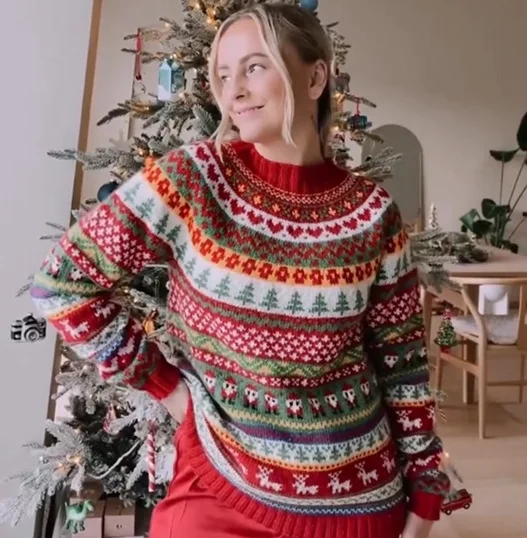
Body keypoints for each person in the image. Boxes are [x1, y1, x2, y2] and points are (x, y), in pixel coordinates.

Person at [31, 4, 450, 538]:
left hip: (356, 501)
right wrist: (165, 385)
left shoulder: (372, 213)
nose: (235, 92)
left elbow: (402, 365)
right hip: (216, 486)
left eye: (255, 67)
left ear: (316, 77)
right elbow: (62, 283)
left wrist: (426, 491)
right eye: (224, 75)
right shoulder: (193, 179)